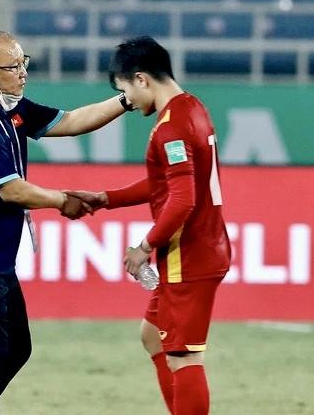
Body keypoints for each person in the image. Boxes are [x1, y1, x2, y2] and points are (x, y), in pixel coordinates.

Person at [0, 30, 128, 415]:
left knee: (16, 349)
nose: (23, 73)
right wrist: (64, 201)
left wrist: (125, 101)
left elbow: (71, 121)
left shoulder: (8, 108)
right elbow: (13, 191)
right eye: (13, 66)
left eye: (24, 63)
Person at [67, 36, 231, 415]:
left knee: (183, 357)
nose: (126, 102)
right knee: (153, 339)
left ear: (141, 79)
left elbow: (183, 199)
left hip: (189, 256)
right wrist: (106, 198)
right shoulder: (193, 108)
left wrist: (144, 248)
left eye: (124, 91)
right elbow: (167, 185)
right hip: (202, 248)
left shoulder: (172, 126)